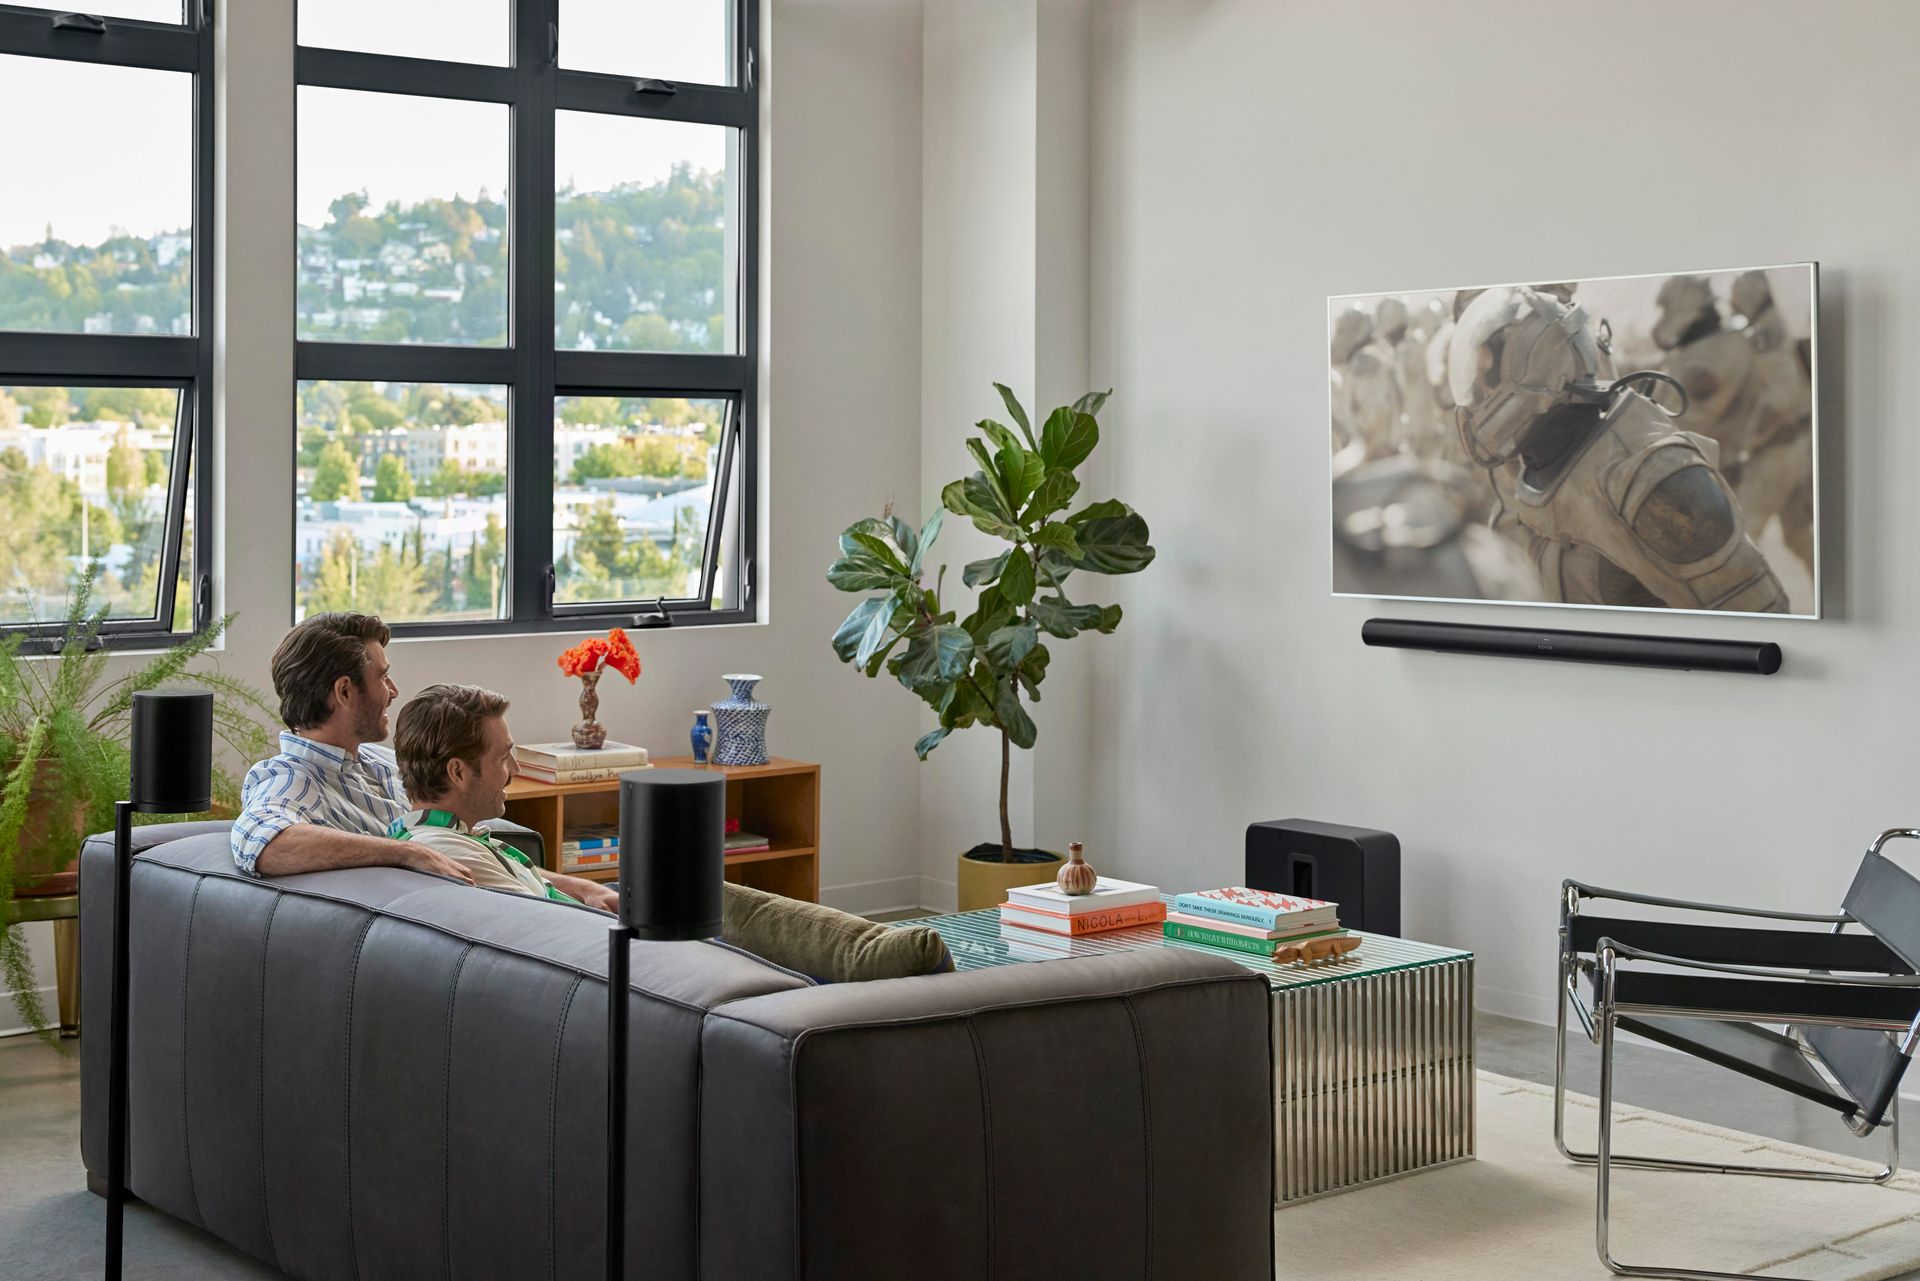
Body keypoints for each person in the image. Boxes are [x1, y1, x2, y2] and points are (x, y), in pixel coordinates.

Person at [1447, 286, 1788, 612]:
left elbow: (1757, 617)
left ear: (1537, 365)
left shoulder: (1654, 479)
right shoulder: (1536, 466)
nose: (1479, 397)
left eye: (1487, 377)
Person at [231, 613, 479, 880]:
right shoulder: (290, 779)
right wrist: (408, 853)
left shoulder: (380, 758)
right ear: (345, 691)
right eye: (383, 677)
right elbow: (263, 843)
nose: (393, 691)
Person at [390, 683, 618, 911]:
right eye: (503, 757)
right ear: (458, 773)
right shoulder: (448, 851)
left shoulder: (444, 835)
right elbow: (547, 921)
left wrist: (588, 890)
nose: (515, 769)